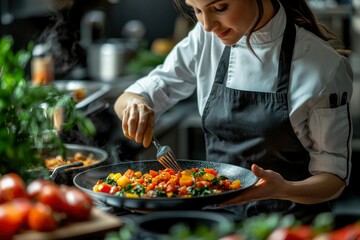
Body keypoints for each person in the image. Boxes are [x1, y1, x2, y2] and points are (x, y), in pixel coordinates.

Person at [114, 0, 353, 222]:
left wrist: (284, 189)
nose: (207, 25)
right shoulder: (206, 40)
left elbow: (333, 178)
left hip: (289, 226)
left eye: (220, 8)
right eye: (196, 10)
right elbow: (132, 96)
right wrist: (136, 106)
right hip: (217, 222)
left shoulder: (324, 66)